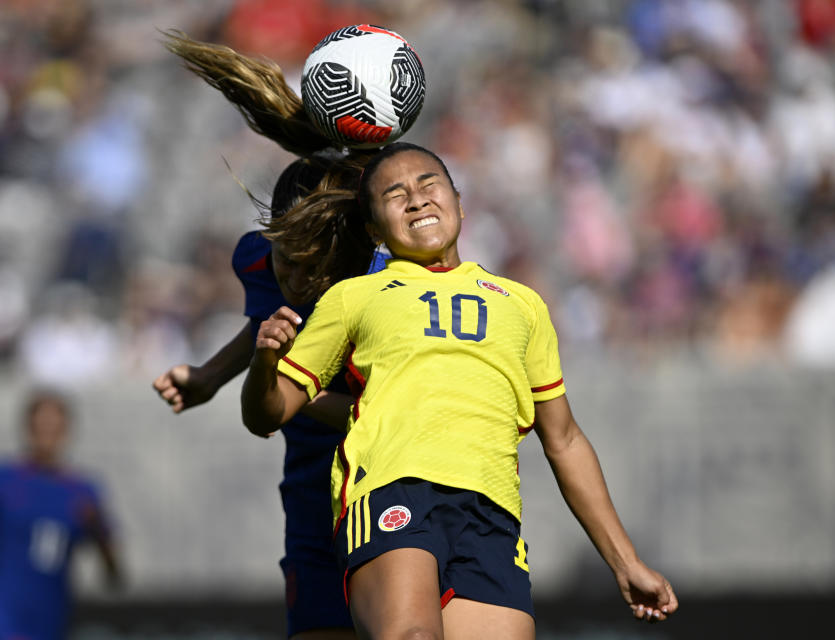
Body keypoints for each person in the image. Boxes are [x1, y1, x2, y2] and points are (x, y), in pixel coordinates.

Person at [242, 142, 678, 639]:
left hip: (490, 513)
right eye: (395, 194)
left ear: (459, 201)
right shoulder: (352, 298)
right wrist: (262, 361)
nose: (417, 199)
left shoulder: (524, 305)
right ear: (373, 230)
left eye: (429, 185)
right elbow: (267, 413)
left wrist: (625, 561)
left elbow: (565, 439)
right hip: (390, 490)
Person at [154, 33, 383, 639]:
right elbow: (266, 326)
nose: (299, 279)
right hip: (309, 480)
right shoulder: (259, 261)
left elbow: (387, 415)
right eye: (290, 263)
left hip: (386, 481)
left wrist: (297, 395)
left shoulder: (388, 286)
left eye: (315, 268)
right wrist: (208, 375)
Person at [0, 390, 122, 640]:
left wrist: (98, 528)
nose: (47, 435)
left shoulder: (82, 491)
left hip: (51, 618)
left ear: (66, 431)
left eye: (54, 428)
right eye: (40, 427)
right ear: (27, 429)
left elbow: (113, 572)